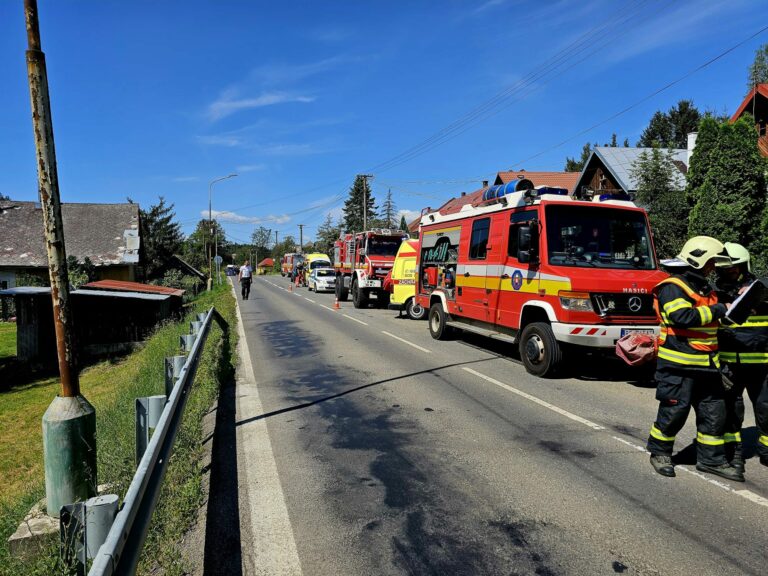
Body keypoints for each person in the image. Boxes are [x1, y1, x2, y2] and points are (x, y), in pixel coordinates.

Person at [646, 236, 744, 481]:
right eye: (711, 261)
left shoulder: (704, 290)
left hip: (708, 367)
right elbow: (683, 317)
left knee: (714, 414)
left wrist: (737, 305)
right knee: (674, 413)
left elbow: (710, 320)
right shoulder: (673, 286)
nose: (713, 267)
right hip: (678, 366)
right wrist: (720, 309)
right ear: (698, 260)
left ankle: (711, 461)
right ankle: (660, 453)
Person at [715, 242, 768, 471]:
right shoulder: (715, 293)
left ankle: (766, 450)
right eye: (724, 268)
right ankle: (733, 452)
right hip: (729, 365)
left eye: (733, 268)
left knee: (766, 408)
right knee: (731, 411)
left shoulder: (762, 290)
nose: (729, 272)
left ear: (744, 265)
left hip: (762, 365)